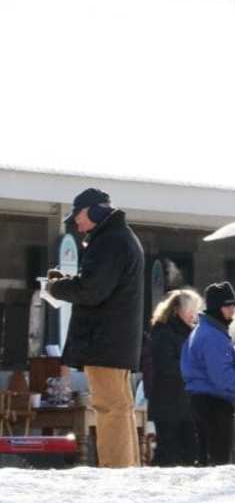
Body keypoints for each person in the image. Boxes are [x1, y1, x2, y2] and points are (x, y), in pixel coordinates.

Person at [47, 188, 145, 468]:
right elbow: (99, 283)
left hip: (104, 341)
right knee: (121, 407)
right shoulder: (121, 238)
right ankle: (128, 469)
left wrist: (56, 287)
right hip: (117, 342)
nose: (74, 222)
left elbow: (91, 290)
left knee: (109, 408)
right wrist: (67, 281)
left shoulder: (109, 242)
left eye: (76, 215)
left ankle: (115, 472)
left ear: (91, 211)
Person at [181, 282, 235, 466]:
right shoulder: (212, 336)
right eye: (227, 306)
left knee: (208, 457)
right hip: (213, 405)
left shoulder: (207, 331)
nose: (232, 310)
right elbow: (221, 376)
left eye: (233, 305)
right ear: (217, 307)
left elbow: (214, 366)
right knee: (217, 461)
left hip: (204, 401)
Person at [148, 289, 204, 466]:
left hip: (186, 403)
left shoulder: (191, 333)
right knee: (169, 451)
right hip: (169, 403)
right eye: (191, 310)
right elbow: (166, 366)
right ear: (178, 310)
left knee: (190, 452)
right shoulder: (163, 331)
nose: (194, 314)